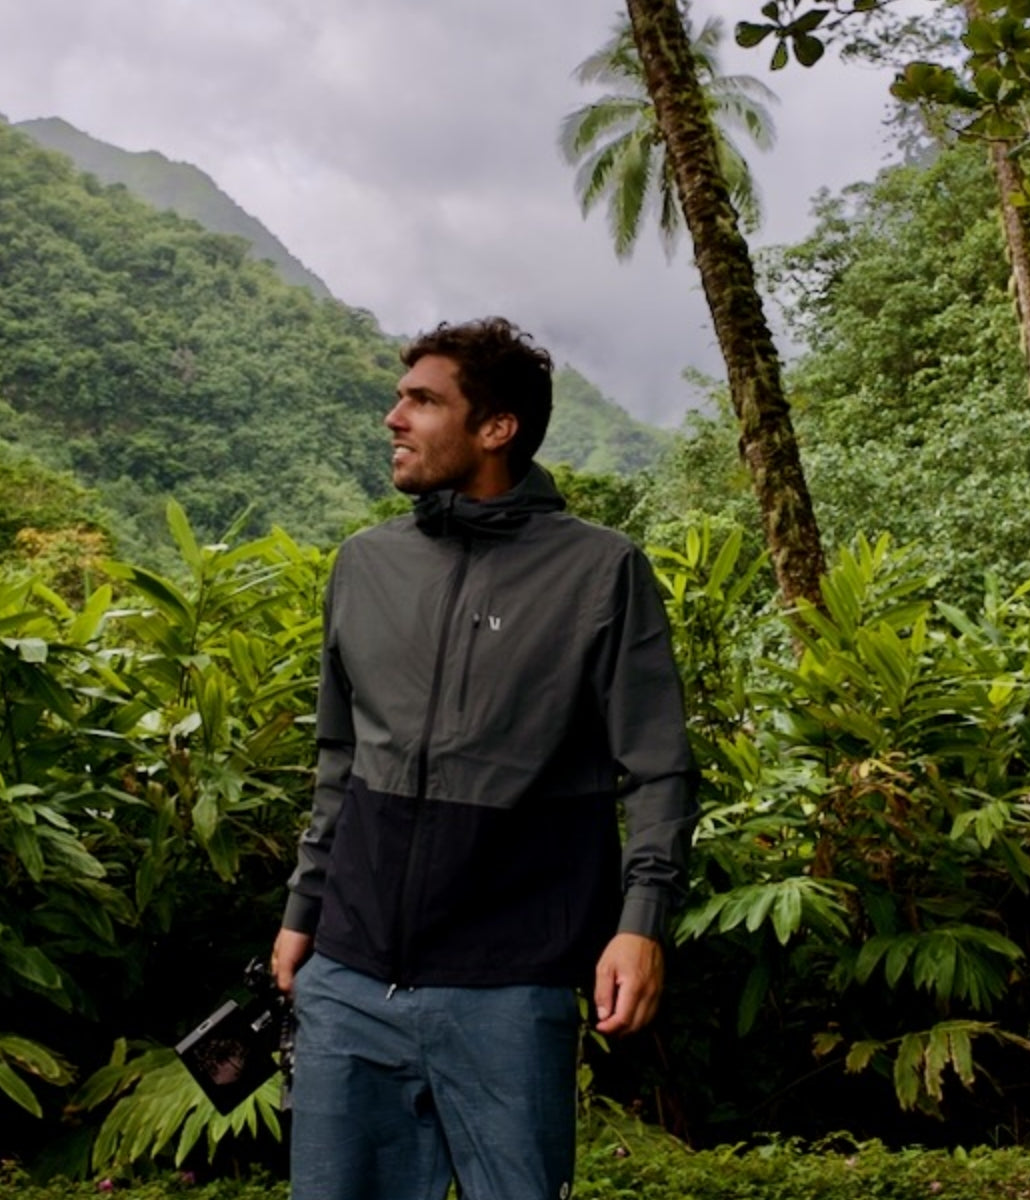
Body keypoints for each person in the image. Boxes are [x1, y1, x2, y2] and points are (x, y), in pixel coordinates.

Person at [272, 316, 697, 1200]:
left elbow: (657, 767)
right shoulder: (364, 565)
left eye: (423, 401)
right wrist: (303, 911)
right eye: (401, 397)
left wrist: (641, 920)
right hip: (349, 974)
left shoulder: (599, 571)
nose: (394, 417)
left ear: (496, 427)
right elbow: (340, 759)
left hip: (510, 981)